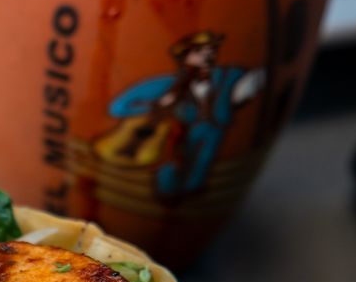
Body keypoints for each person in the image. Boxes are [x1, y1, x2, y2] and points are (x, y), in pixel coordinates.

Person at [94, 31, 266, 201]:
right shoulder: (167, 84)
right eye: (199, 52)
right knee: (176, 162)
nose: (207, 57)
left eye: (211, 51)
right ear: (185, 57)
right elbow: (117, 107)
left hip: (215, 129)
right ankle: (167, 191)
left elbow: (251, 83)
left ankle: (192, 191)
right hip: (181, 132)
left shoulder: (226, 77)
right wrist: (156, 106)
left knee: (203, 163)